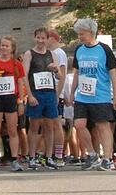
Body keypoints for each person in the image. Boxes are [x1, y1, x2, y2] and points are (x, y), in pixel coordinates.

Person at [68, 18, 116, 171]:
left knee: (102, 126)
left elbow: (113, 72)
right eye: (79, 34)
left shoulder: (104, 49)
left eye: (82, 34)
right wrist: (72, 92)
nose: (80, 37)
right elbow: (77, 73)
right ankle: (92, 155)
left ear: (91, 33)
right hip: (82, 95)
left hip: (100, 95)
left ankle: (107, 158)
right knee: (79, 125)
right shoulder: (79, 50)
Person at [0, 35, 30, 172]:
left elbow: (21, 82)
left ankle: (15, 159)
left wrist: (21, 101)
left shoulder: (16, 64)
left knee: (12, 130)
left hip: (11, 98)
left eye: (7, 46)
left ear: (12, 49)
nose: (4, 48)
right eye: (2, 45)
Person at [23, 28, 63, 170]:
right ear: (35, 38)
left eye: (43, 38)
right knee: (34, 126)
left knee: (50, 126)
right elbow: (24, 76)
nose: (40, 41)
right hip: (36, 92)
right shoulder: (29, 54)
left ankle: (49, 156)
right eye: (38, 38)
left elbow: (59, 76)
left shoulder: (52, 54)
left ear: (47, 39)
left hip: (49, 93)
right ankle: (32, 157)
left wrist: (56, 70)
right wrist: (30, 95)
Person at [46, 30, 68, 167]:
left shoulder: (59, 53)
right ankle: (51, 152)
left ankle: (59, 154)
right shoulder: (51, 54)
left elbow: (62, 75)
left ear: (52, 39)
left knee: (57, 123)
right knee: (50, 124)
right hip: (49, 90)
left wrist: (58, 94)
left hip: (55, 92)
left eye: (46, 38)